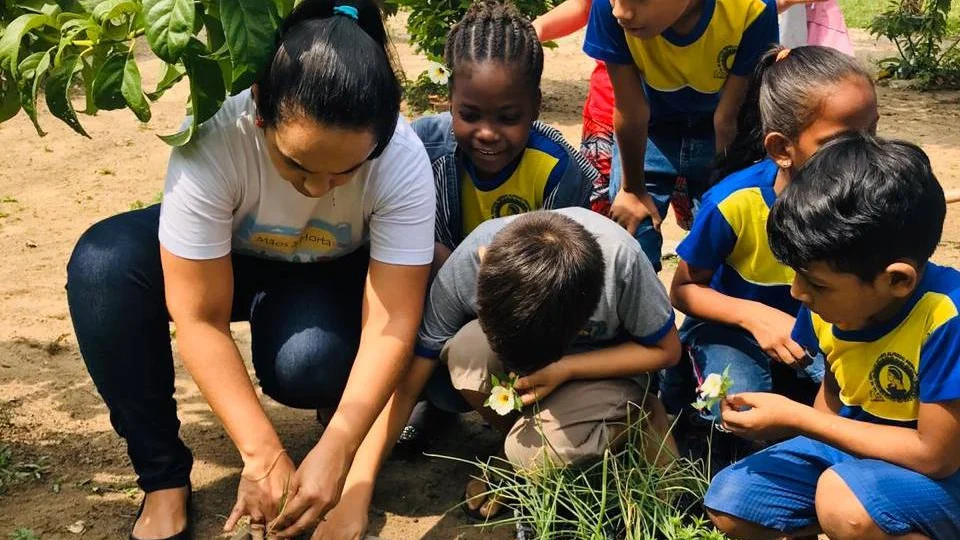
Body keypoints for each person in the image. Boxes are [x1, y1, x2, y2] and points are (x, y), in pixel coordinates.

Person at [64, 1, 435, 538]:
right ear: (261, 108)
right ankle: (163, 478)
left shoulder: (400, 158)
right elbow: (199, 318)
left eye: (346, 172)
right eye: (298, 164)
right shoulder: (217, 130)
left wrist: (342, 447)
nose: (316, 189)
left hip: (319, 270)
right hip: (228, 258)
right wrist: (261, 453)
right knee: (105, 266)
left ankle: (328, 420)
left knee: (312, 364)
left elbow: (394, 319)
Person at [306, 208, 681, 538]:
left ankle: (635, 420)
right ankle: (529, 443)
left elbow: (666, 351)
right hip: (548, 368)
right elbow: (406, 387)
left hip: (602, 370)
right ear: (485, 265)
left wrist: (567, 367)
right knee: (466, 355)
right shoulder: (472, 259)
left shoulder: (620, 262)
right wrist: (356, 490)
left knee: (527, 455)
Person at [705, 133, 960, 540]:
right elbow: (836, 391)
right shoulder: (828, 302)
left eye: (815, 283)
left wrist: (796, 417)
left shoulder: (946, 317)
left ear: (896, 280)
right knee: (735, 501)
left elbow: (936, 456)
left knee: (845, 504)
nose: (797, 294)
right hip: (856, 452)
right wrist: (782, 425)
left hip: (943, 475)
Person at [397, 1, 598, 455]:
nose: (487, 133)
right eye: (470, 115)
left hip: (523, 314)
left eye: (508, 118)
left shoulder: (561, 173)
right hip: (434, 303)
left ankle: (523, 428)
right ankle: (426, 402)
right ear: (449, 100)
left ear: (535, 107)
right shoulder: (420, 150)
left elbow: (563, 286)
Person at [663, 46, 878, 452]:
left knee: (863, 401)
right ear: (782, 149)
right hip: (730, 329)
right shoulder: (733, 203)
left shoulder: (864, 199)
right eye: (842, 142)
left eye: (872, 133)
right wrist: (755, 316)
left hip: (821, 329)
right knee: (741, 402)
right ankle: (686, 415)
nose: (862, 155)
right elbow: (685, 289)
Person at [582, 0, 779, 272]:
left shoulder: (752, 8)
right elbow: (631, 109)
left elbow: (728, 118)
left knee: (725, 238)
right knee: (630, 236)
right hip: (651, 132)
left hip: (720, 140)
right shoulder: (607, 8)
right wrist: (632, 189)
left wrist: (725, 197)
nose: (620, 12)